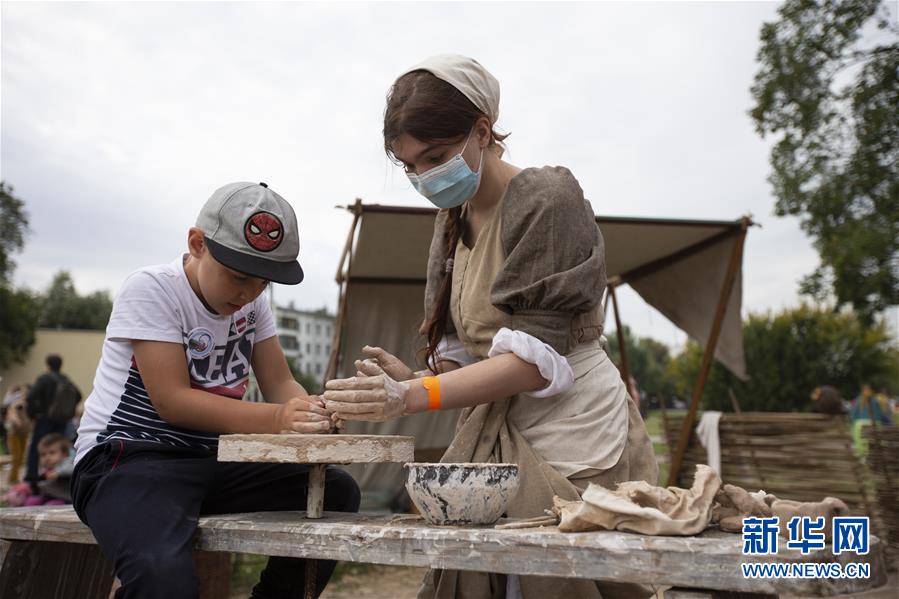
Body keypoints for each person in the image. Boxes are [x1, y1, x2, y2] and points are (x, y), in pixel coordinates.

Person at [323, 55, 657, 599]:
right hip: (498, 432)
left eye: (433, 157)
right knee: (491, 580)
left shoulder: (547, 198)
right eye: (409, 165)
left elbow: (529, 363)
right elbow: (469, 357)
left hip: (572, 430)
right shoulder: (451, 222)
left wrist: (408, 395)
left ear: (482, 131)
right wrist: (412, 376)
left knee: (568, 581)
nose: (423, 176)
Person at [71, 182, 360, 599]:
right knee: (161, 575)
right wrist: (280, 419)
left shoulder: (252, 305)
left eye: (263, 283)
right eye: (239, 276)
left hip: (209, 459)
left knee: (337, 491)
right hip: (127, 461)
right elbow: (173, 402)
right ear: (197, 243)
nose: (248, 293)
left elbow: (279, 382)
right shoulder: (153, 289)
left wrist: (313, 412)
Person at [24, 354, 81, 487]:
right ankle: (58, 475)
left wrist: (32, 414)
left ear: (47, 365)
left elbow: (31, 396)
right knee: (59, 448)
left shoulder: (44, 379)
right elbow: (78, 395)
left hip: (44, 419)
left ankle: (34, 478)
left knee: (38, 448)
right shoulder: (66, 379)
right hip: (61, 420)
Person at [23, 433, 74, 506]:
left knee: (51, 505)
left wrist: (58, 473)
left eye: (52, 453)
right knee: (31, 501)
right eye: (43, 454)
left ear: (64, 454)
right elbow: (41, 483)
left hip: (65, 499)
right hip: (48, 497)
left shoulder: (66, 462)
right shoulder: (44, 468)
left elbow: (72, 469)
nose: (47, 457)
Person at [3, 384, 31, 484]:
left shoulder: (30, 404)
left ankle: (15, 478)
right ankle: (12, 479)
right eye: (24, 392)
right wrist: (17, 420)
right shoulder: (17, 403)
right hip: (14, 434)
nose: (25, 394)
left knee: (21, 456)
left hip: (24, 433)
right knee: (17, 456)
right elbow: (12, 413)